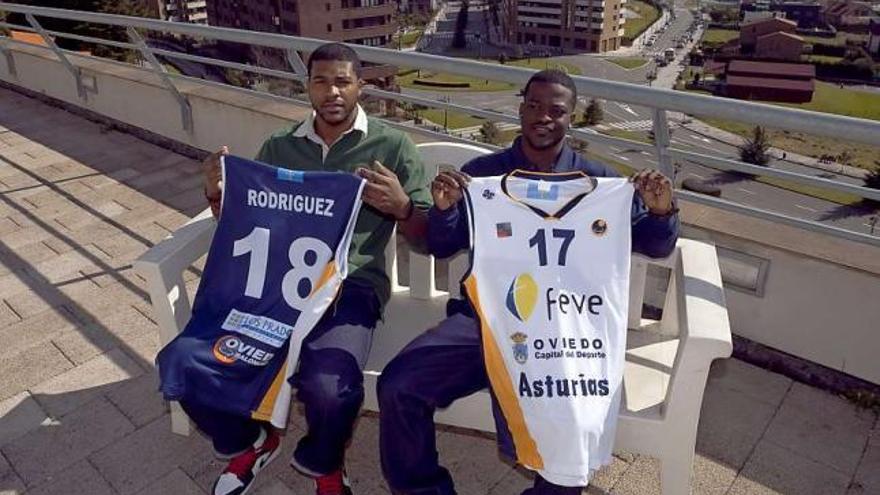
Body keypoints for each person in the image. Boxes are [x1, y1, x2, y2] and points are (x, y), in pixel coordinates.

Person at [377, 70, 679, 495]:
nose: (543, 118)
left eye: (556, 111)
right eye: (534, 107)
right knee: (397, 386)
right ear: (521, 110)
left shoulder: (602, 183)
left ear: (571, 118)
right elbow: (444, 247)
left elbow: (656, 244)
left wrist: (663, 211)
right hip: (484, 324)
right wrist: (445, 209)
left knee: (572, 428)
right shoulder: (482, 175)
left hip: (565, 331)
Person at [195, 43, 432, 495]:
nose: (333, 92)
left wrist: (402, 207)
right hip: (277, 285)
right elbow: (244, 221)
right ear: (307, 87)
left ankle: (325, 463)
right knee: (195, 363)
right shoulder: (281, 145)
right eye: (321, 81)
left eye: (343, 80)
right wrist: (216, 194)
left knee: (330, 388)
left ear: (361, 85)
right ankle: (253, 441)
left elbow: (425, 235)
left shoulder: (393, 145)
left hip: (350, 287)